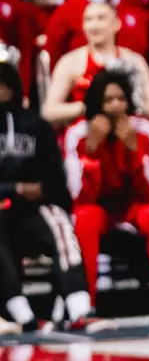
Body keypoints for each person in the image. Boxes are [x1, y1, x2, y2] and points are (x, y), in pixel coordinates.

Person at [63, 69, 149, 325]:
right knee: (83, 219)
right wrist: (92, 153)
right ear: (96, 103)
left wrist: (134, 153)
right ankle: (86, 305)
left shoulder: (147, 131)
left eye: (120, 99)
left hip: (134, 204)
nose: (115, 106)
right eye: (108, 100)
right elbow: (78, 196)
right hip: (96, 206)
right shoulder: (77, 133)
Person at [0, 47, 91, 331]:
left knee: (59, 222)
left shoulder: (35, 124)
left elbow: (54, 172)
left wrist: (41, 192)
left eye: (3, 83)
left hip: (34, 207)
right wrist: (13, 188)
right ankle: (21, 314)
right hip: (2, 204)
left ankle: (80, 308)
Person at [42, 0, 149, 127]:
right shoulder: (70, 62)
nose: (94, 25)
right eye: (88, 20)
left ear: (116, 24)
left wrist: (128, 106)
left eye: (101, 18)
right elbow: (49, 111)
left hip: (129, 131)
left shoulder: (134, 61)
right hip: (85, 134)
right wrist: (91, 107)